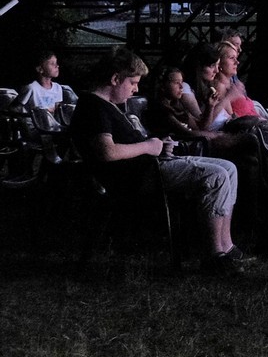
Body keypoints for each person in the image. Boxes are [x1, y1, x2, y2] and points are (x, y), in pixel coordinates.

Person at [75, 46, 244, 272]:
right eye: (133, 83)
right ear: (115, 79)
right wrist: (148, 146)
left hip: (148, 166)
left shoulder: (108, 106)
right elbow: (107, 152)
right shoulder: (94, 106)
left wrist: (157, 147)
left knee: (229, 168)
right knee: (216, 175)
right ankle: (213, 254)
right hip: (136, 177)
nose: (136, 89)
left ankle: (226, 245)